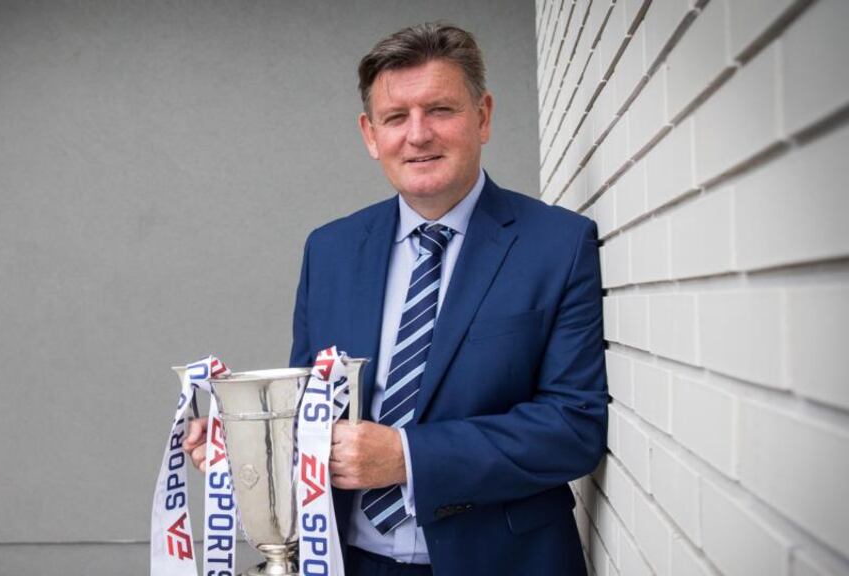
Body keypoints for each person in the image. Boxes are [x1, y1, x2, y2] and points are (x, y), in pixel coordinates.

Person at [185, 22, 607, 575]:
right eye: (395, 117)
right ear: (370, 134)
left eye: (440, 110)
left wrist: (408, 457)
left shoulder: (559, 244)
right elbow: (313, 410)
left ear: (482, 117)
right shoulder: (330, 250)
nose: (418, 134)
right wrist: (247, 439)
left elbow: (573, 428)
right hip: (350, 561)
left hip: (504, 561)